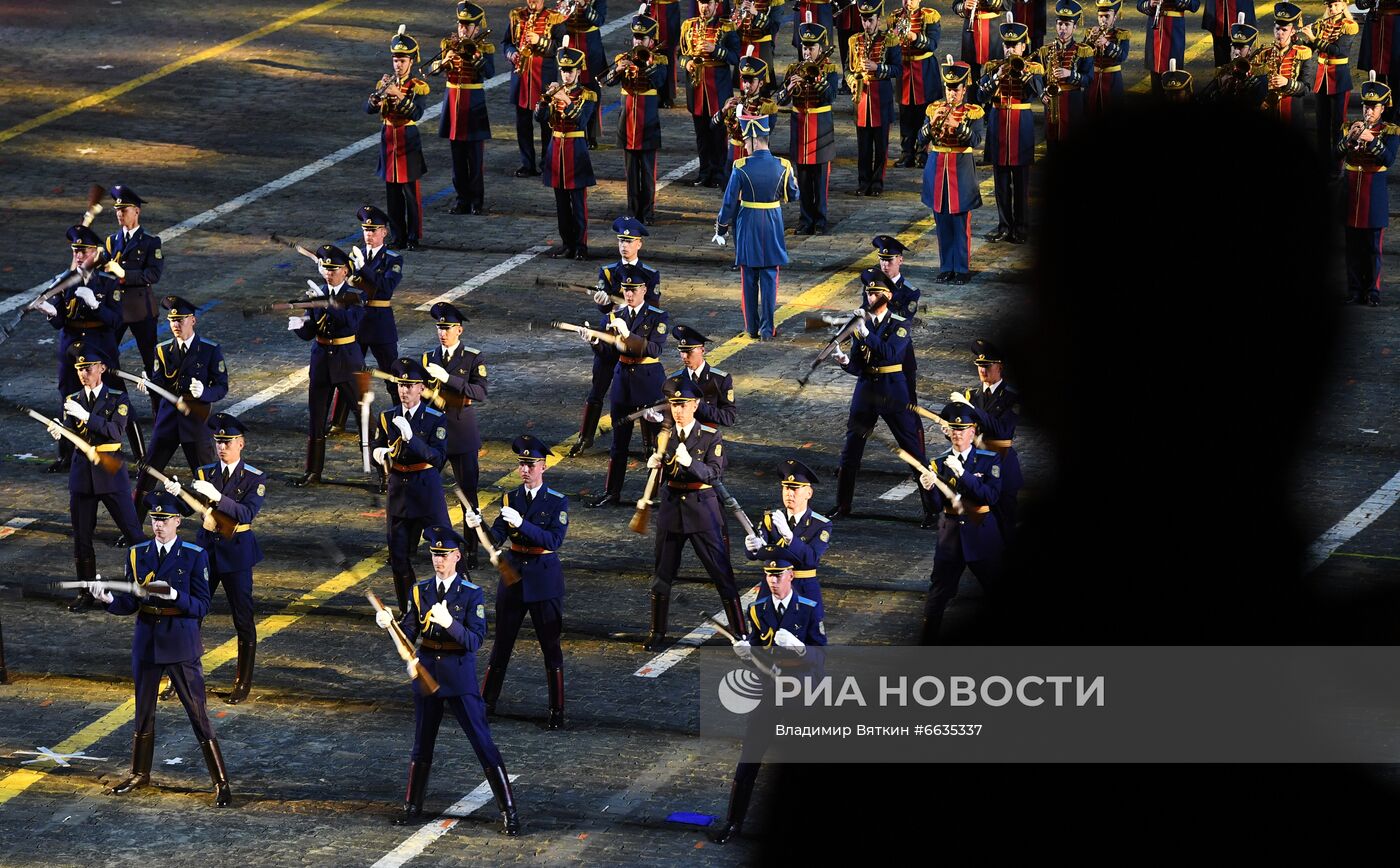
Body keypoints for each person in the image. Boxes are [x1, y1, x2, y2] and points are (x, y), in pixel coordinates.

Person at [83, 490, 230, 806]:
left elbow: (202, 606)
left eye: (164, 520)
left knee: (197, 713)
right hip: (147, 641)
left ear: (177, 521)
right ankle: (139, 773)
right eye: (154, 520)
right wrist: (108, 600)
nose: (158, 526)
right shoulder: (137, 554)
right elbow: (130, 603)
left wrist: (175, 597)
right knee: (143, 710)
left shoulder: (194, 555)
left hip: (180, 642)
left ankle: (221, 781)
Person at [376, 527, 519, 835]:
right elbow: (410, 631)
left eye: (443, 556)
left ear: (456, 556)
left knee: (482, 742)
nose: (438, 561)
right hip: (428, 672)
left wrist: (451, 623)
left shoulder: (471, 594)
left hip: (458, 674)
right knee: (422, 741)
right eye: (434, 555)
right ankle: (412, 806)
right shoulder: (420, 590)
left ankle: (509, 810)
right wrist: (391, 623)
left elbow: (475, 641)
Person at [710, 556, 825, 844]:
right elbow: (760, 657)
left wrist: (801, 649)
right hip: (768, 695)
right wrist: (747, 654)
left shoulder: (809, 609)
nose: (772, 581)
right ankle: (734, 822)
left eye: (778, 575)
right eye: (768, 575)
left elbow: (822, 657)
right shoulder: (757, 609)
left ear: (791, 575)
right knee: (749, 758)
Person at [469, 435, 569, 729]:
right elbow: (496, 537)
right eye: (521, 464)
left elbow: (554, 540)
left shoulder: (557, 502)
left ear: (543, 466)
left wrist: (522, 524)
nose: (524, 470)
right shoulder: (510, 498)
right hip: (512, 577)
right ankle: (486, 703)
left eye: (530, 464)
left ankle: (557, 709)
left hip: (543, 578)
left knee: (550, 646)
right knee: (501, 644)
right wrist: (479, 527)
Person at [170, 413, 266, 705]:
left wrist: (218, 498)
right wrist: (178, 493)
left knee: (243, 620)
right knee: (190, 615)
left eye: (227, 442)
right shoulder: (204, 473)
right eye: (218, 442)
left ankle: (242, 681)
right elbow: (188, 509)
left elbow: (247, 513)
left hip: (237, 555)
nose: (221, 447)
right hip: (206, 553)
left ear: (241, 443)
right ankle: (180, 677)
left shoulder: (254, 477)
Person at [644, 376, 745, 650]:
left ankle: (741, 631)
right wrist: (655, 464)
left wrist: (692, 465)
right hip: (672, 510)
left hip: (702, 509)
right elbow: (661, 474)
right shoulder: (664, 435)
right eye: (674, 404)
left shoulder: (712, 436)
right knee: (662, 575)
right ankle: (657, 631)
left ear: (696, 404)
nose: (678, 410)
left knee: (721, 572)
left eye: (684, 404)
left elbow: (714, 473)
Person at [828, 280, 940, 525]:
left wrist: (866, 333)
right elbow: (859, 364)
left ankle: (932, 508)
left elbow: (890, 353)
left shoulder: (900, 324)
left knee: (911, 449)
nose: (872, 298)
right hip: (866, 389)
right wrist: (845, 361)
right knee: (851, 449)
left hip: (892, 390)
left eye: (877, 293)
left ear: (888, 296)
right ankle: (842, 504)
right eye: (869, 294)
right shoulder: (861, 325)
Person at [50, 345, 146, 612]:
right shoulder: (72, 398)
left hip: (109, 471)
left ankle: (146, 585)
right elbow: (72, 432)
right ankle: (85, 591)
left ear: (101, 369)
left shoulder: (118, 398)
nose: (84, 373)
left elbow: (115, 432)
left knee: (132, 532)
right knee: (82, 537)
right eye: (80, 369)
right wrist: (60, 431)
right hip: (82, 473)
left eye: (88, 368)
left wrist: (87, 417)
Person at [130, 296, 228, 527]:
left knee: (206, 479)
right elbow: (159, 383)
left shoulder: (209, 350)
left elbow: (222, 386)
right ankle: (133, 528)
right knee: (147, 476)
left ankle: (216, 526)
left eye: (181, 319)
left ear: (192, 320)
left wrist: (204, 392)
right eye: (172, 320)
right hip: (167, 423)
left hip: (195, 423)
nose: (176, 324)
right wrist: (149, 386)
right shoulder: (162, 350)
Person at [570, 218, 662, 457]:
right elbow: (603, 306)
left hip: (635, 336)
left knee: (643, 392)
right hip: (610, 334)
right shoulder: (608, 271)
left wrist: (625, 309)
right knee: (598, 386)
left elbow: (652, 308)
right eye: (621, 240)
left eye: (629, 241)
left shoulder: (650, 275)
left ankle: (649, 443)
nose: (624, 246)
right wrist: (602, 302)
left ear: (639, 244)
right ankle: (585, 437)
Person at [371, 358, 452, 616]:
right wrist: (378, 456)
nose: (403, 391)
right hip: (399, 496)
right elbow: (376, 446)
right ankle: (409, 609)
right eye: (400, 386)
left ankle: (457, 604)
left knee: (448, 550)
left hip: (426, 492)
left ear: (421, 388)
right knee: (398, 557)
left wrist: (411, 439)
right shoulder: (386, 417)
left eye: (409, 386)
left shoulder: (435, 419)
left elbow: (438, 459)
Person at [916, 402, 1002, 642]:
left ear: (973, 432)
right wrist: (928, 488)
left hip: (981, 533)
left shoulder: (989, 459)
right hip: (951, 538)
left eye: (962, 429)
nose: (957, 434)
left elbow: (991, 496)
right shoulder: (939, 462)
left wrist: (963, 475)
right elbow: (935, 507)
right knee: (937, 595)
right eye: (954, 429)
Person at [41, 225, 124, 474]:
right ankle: (66, 455)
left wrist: (96, 305)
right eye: (76, 250)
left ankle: (130, 454)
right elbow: (59, 322)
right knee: (68, 399)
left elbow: (116, 320)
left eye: (84, 250)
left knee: (115, 398)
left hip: (101, 348)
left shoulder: (108, 284)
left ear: (95, 252)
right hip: (71, 349)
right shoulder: (63, 282)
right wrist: (51, 313)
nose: (79, 255)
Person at [585, 272, 670, 506]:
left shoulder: (658, 317)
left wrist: (628, 334)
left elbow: (654, 350)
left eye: (634, 289)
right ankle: (612, 492)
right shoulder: (614, 315)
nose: (629, 294)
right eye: (626, 289)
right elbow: (609, 354)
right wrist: (595, 342)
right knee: (618, 445)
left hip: (649, 383)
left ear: (644, 290)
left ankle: (656, 495)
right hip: (623, 383)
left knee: (655, 444)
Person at [714, 112, 799, 340]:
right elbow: (793, 194)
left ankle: (751, 327)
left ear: (752, 138)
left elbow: (730, 202)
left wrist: (721, 227)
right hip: (772, 222)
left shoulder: (741, 167)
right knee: (770, 279)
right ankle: (767, 329)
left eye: (745, 140)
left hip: (748, 223)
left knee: (748, 278)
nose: (745, 144)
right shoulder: (783, 165)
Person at [288, 245, 365, 487]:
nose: (329, 273)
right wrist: (300, 324)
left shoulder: (355, 296)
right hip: (321, 361)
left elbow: (351, 324)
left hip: (347, 361)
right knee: (316, 419)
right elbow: (311, 332)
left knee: (363, 418)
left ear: (345, 271)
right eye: (326, 269)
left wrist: (328, 303)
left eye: (334, 269)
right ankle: (313, 471)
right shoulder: (316, 293)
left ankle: (384, 471)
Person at [421, 302, 489, 566]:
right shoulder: (428, 357)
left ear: (459, 330)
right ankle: (435, 542)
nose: (443, 333)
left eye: (448, 328)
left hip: (461, 434)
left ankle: (470, 551)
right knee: (423, 489)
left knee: (468, 498)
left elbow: (480, 393)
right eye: (439, 328)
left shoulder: (473, 357)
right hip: (434, 436)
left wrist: (449, 380)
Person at [918, 58, 985, 285]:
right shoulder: (934, 108)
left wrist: (959, 127)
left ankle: (962, 268)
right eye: (949, 90)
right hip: (937, 169)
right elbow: (920, 139)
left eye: (956, 90)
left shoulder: (973, 112)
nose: (951, 95)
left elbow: (976, 140)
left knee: (960, 222)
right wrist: (930, 124)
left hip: (960, 170)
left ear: (964, 90)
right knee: (942, 221)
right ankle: (946, 266)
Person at [741, 459, 832, 619]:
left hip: (802, 586)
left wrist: (789, 537)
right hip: (772, 586)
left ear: (808, 493)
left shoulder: (820, 525)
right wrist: (753, 546)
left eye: (795, 489)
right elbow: (757, 551)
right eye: (786, 488)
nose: (789, 494)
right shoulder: (772, 518)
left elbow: (810, 559)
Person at [951, 339, 1022, 541]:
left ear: (1000, 367)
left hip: (1002, 463)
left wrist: (973, 410)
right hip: (977, 465)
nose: (982, 370)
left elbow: (1001, 429)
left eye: (987, 366)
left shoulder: (1012, 397)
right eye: (980, 366)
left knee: (1005, 522)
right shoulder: (970, 395)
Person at [601, 13, 669, 224]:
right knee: (630, 171)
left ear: (651, 40)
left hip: (647, 120)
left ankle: (647, 212)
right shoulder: (623, 58)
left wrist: (645, 63)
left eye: (643, 38)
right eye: (636, 37)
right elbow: (608, 81)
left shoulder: (659, 59)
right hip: (627, 119)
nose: (638, 41)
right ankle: (632, 209)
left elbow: (659, 82)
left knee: (648, 171)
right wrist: (618, 70)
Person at [367, 27, 431, 250]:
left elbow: (417, 113)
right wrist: (375, 101)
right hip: (388, 140)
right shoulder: (384, 82)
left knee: (411, 195)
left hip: (407, 140)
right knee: (392, 196)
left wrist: (398, 94)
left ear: (411, 62)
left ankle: (413, 236)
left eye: (402, 60)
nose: (398, 65)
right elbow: (368, 109)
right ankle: (398, 236)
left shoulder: (417, 87)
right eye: (396, 60)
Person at [104, 185, 164, 421]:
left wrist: (124, 274)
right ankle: (118, 404)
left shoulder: (150, 242)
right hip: (117, 310)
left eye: (125, 209)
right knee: (106, 358)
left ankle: (159, 410)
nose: (120, 213)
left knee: (151, 362)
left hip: (141, 310)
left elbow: (153, 275)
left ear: (136, 211)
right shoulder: (111, 241)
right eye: (117, 209)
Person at [979, 23, 1043, 245]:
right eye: (1007, 45)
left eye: (1014, 46)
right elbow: (979, 96)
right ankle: (1004, 226)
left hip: (1020, 127)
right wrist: (996, 77)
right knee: (1001, 182)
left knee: (1022, 182)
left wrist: (1023, 73)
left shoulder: (1033, 68)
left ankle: (1021, 227)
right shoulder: (992, 67)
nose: (1009, 50)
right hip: (999, 125)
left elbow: (1037, 94)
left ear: (1023, 47)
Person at [776, 19, 839, 234]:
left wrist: (816, 80)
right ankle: (805, 219)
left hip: (820, 127)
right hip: (800, 127)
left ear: (820, 47)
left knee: (820, 179)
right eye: (804, 47)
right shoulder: (794, 69)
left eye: (811, 48)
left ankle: (820, 220)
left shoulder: (829, 69)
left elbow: (831, 97)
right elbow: (780, 100)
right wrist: (790, 87)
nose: (807, 52)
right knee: (802, 177)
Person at [1338, 77, 1398, 306]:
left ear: (1382, 108)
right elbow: (1336, 155)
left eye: (1373, 107)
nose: (1368, 110)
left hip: (1373, 195)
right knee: (1352, 247)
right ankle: (1354, 289)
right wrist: (1349, 139)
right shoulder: (1349, 127)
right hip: (1352, 192)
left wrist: (1371, 140)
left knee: (1373, 247)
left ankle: (1373, 291)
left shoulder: (1391, 131)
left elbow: (1389, 159)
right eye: (1365, 106)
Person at [538, 41, 599, 260]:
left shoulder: (587, 95)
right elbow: (540, 118)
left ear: (578, 71)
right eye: (563, 70)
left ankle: (581, 246)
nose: (566, 75)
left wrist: (566, 101)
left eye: (570, 71)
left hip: (576, 150)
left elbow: (582, 122)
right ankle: (567, 244)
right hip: (556, 151)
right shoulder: (556, 92)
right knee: (561, 204)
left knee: (578, 204)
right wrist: (544, 102)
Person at [346, 205, 405, 412]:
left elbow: (386, 288)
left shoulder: (393, 258)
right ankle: (339, 421)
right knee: (349, 374)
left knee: (392, 374)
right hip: (358, 321)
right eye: (365, 230)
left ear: (384, 232)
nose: (369, 235)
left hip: (380, 323)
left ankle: (402, 413)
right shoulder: (356, 255)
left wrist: (363, 270)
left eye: (373, 230)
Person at [440, 2, 496, 216]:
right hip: (453, 103)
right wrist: (445, 61)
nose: (463, 29)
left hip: (473, 103)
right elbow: (435, 71)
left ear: (477, 28)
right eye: (461, 24)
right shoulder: (448, 44)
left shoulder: (484, 47)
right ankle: (461, 198)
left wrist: (478, 58)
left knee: (475, 157)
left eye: (468, 25)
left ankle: (476, 200)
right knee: (457, 158)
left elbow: (490, 73)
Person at [681, 0, 741, 187]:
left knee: (718, 134)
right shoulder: (688, 25)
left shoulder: (726, 27)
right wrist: (688, 64)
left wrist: (717, 50)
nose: (704, 7)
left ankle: (719, 173)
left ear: (716, 5)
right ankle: (704, 171)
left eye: (708, 3)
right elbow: (681, 55)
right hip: (697, 88)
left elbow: (735, 57)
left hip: (718, 87)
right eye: (701, 3)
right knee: (701, 134)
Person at [505, 0, 569, 177]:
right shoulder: (517, 17)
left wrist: (539, 40)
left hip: (543, 78)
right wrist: (512, 54)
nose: (533, 2)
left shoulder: (555, 19)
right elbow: (507, 43)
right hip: (521, 79)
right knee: (523, 124)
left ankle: (547, 163)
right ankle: (527, 164)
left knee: (547, 124)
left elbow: (560, 48)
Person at [848, 1, 901, 197]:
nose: (866, 24)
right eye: (864, 20)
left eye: (870, 20)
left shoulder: (889, 41)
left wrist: (877, 68)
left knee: (880, 145)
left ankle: (877, 181)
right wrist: (852, 80)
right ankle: (863, 181)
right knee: (863, 145)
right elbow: (848, 68)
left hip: (881, 97)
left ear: (878, 20)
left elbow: (897, 69)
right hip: (862, 99)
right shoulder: (855, 41)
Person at [1298, 0, 1357, 177]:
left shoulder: (1349, 26)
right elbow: (1309, 47)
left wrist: (1314, 39)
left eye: (1336, 5)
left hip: (1339, 79)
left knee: (1338, 125)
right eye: (1329, 6)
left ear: (1343, 6)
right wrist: (1297, 39)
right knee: (1321, 124)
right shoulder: (1322, 25)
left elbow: (1338, 50)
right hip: (1321, 80)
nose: (1332, 9)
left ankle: (1337, 164)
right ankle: (1323, 162)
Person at [889, 0, 943, 170]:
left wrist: (915, 37)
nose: (908, 2)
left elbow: (932, 44)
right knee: (906, 115)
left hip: (924, 70)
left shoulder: (929, 16)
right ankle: (907, 153)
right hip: (904, 70)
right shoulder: (896, 16)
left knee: (923, 114)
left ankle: (922, 153)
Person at [716, 50, 780, 185]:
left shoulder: (767, 106)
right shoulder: (734, 102)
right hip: (733, 155)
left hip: (754, 156)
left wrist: (749, 117)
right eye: (744, 81)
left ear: (761, 83)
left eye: (751, 81)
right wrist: (724, 110)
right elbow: (713, 126)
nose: (747, 85)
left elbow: (767, 133)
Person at [1038, 0, 1094, 152]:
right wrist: (1041, 93)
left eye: (1067, 25)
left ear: (1074, 27)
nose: (1062, 28)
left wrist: (1070, 74)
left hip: (1073, 104)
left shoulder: (1083, 51)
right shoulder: (1045, 50)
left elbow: (1089, 80)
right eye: (1059, 24)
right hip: (1052, 105)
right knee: (1052, 143)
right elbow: (1038, 78)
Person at [1256, 2, 1312, 129]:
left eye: (1284, 30)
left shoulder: (1302, 53)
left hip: (1291, 113)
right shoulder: (1265, 53)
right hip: (1268, 110)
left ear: (1292, 31)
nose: (1279, 33)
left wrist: (1286, 83)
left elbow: (1307, 88)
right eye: (1277, 29)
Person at [561, 0, 608, 149]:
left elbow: (599, 20)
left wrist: (585, 6)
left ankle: (592, 135)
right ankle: (573, 128)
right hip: (571, 43)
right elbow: (559, 17)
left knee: (592, 90)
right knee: (571, 87)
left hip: (590, 46)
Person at [669, 325, 737, 426]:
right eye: (681, 351)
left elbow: (728, 418)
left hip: (708, 438)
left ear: (702, 350)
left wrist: (698, 406)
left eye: (689, 351)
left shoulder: (720, 379)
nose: (684, 356)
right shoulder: (675, 380)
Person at [1138, 0, 1200, 98]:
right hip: (1155, 31)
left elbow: (1194, 5)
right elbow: (1140, 4)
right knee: (1156, 78)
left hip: (1174, 32)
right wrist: (1150, 3)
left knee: (1174, 78)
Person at [1199, 18, 1267, 106]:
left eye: (1241, 48)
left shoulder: (1259, 72)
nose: (1236, 51)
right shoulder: (1223, 71)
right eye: (1234, 47)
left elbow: (1260, 100)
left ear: (1250, 50)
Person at [1084, 0, 1129, 116]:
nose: (1103, 20)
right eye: (1100, 16)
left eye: (1107, 16)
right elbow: (1083, 57)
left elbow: (1122, 56)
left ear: (1114, 18)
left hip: (1113, 79)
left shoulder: (1121, 35)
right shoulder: (1091, 33)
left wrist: (1107, 44)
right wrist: (1089, 40)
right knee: (1091, 110)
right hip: (1093, 79)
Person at [954, 0, 1006, 85]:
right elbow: (955, 5)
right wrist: (964, 6)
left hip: (992, 31)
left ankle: (992, 96)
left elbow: (1007, 4)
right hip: (971, 33)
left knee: (994, 70)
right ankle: (972, 97)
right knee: (971, 72)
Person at [735, 0, 783, 87]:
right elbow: (735, 26)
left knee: (762, 86)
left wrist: (756, 14)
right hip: (743, 46)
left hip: (762, 48)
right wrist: (740, 14)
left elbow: (774, 28)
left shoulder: (774, 1)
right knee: (744, 86)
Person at [1358, 0, 1400, 85]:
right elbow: (1360, 3)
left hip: (1396, 24)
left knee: (1396, 69)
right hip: (1375, 23)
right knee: (1374, 73)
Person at [1201, 0, 1255, 66]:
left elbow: (1247, 8)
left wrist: (1247, 43)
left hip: (1240, 31)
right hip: (1219, 27)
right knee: (1221, 65)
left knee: (1239, 67)